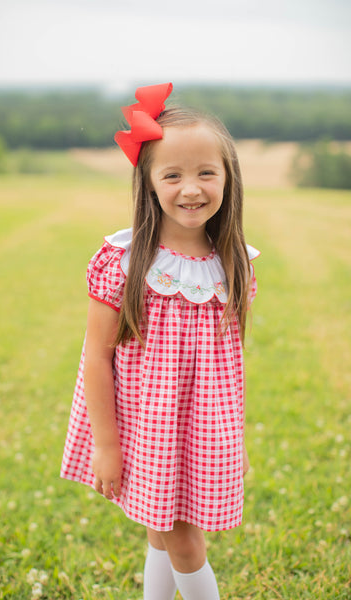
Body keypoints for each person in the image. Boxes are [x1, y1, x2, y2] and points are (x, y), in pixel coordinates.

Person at [61, 82, 260, 600]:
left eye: (205, 173)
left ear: (227, 178)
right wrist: (106, 445)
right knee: (182, 541)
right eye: (172, 174)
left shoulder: (233, 263)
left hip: (203, 428)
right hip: (145, 428)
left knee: (165, 532)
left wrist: (231, 438)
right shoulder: (125, 265)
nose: (190, 188)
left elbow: (225, 366)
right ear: (148, 183)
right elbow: (96, 358)